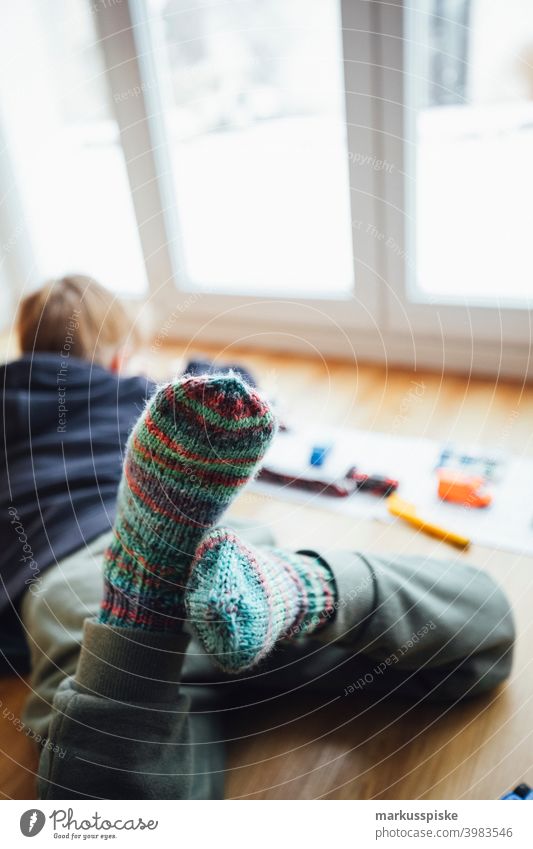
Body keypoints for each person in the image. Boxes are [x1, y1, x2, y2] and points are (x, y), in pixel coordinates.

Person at [0, 275, 515, 800]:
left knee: (114, 810)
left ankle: (144, 598)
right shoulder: (134, 391)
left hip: (79, 585)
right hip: (221, 571)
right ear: (118, 360)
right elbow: (226, 383)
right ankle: (294, 588)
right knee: (477, 649)